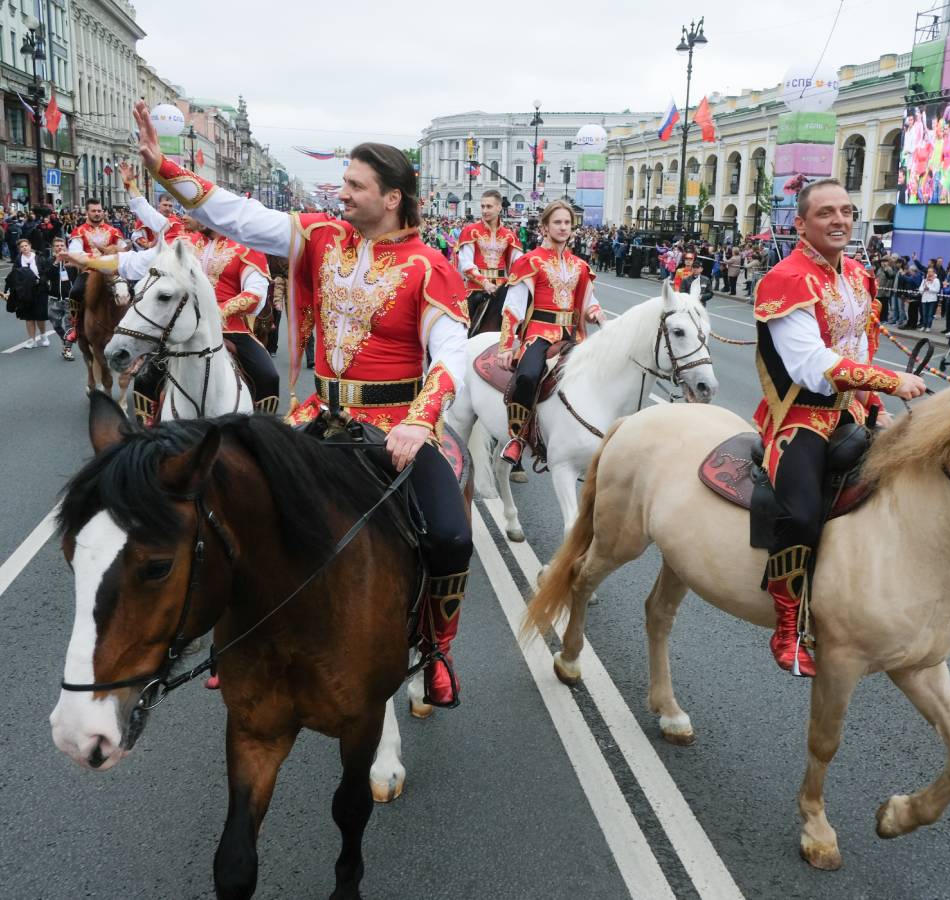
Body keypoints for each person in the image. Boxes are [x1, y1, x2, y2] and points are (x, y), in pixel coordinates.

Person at [131, 99, 473, 708]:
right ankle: (232, 635)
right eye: (342, 183)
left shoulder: (431, 268)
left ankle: (435, 645)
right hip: (320, 414)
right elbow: (239, 215)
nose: (341, 194)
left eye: (354, 185)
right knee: (232, 499)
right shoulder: (318, 235)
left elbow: (451, 355)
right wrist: (164, 169)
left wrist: (420, 423)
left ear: (391, 197)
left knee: (449, 535)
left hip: (396, 426)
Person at [753, 178, 925, 676]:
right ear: (801, 223)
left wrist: (875, 402)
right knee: (802, 513)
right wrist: (891, 381)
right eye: (826, 212)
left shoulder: (858, 276)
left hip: (853, 410)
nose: (840, 220)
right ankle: (786, 627)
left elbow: (858, 351)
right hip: (801, 415)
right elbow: (812, 365)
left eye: (847, 211)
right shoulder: (787, 279)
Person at [70, 163, 280, 423]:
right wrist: (85, 259)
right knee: (146, 381)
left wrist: (215, 311)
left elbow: (256, 294)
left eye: (195, 211)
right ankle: (151, 438)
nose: (186, 215)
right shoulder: (184, 242)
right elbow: (134, 261)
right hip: (182, 326)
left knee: (268, 376)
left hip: (232, 328)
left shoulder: (246, 248)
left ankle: (261, 438)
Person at [498, 200, 603, 465]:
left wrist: (596, 314)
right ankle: (518, 437)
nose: (563, 227)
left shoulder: (580, 266)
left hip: (573, 336)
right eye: (557, 222)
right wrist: (507, 345)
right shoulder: (529, 262)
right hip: (539, 334)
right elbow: (513, 307)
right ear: (545, 227)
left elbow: (588, 301)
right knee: (527, 376)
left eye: (567, 222)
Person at [456, 189, 522, 337]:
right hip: (476, 289)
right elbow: (465, 264)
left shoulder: (509, 236)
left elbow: (518, 264)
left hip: (502, 288)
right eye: (483, 206)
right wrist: (485, 283)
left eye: (489, 206)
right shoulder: (470, 231)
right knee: (461, 324)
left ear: (499, 207)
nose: (485, 210)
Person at [64, 199, 127, 343]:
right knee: (75, 292)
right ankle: (76, 326)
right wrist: (96, 260)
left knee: (133, 289)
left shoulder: (113, 231)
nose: (97, 213)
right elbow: (75, 252)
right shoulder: (79, 231)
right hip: (89, 272)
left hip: (112, 272)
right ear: (87, 212)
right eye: (94, 211)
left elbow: (123, 249)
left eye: (99, 211)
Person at [4, 238, 50, 347]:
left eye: (26, 245)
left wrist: (40, 280)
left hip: (40, 289)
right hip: (25, 292)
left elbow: (46, 273)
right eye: (22, 247)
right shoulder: (18, 260)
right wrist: (10, 289)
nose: (25, 248)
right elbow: (14, 276)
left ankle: (44, 336)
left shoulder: (39, 258)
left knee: (40, 315)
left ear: (30, 246)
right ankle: (32, 340)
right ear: (20, 249)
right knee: (28, 316)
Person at [44, 236, 77, 360]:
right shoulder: (49, 260)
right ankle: (65, 340)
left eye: (62, 245)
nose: (59, 248)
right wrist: (56, 263)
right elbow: (46, 276)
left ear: (66, 247)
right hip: (54, 298)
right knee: (55, 323)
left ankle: (67, 349)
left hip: (69, 299)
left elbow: (78, 278)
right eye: (57, 246)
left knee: (69, 325)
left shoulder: (71, 261)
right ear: (53, 248)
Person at [918, 265, 940, 331]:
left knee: (930, 314)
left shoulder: (936, 280)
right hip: (924, 298)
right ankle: (923, 326)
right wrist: (923, 289)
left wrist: (929, 288)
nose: (929, 273)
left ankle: (928, 327)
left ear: (934, 272)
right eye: (928, 272)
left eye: (930, 272)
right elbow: (920, 288)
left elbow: (937, 290)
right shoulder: (925, 280)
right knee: (924, 314)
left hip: (932, 299)